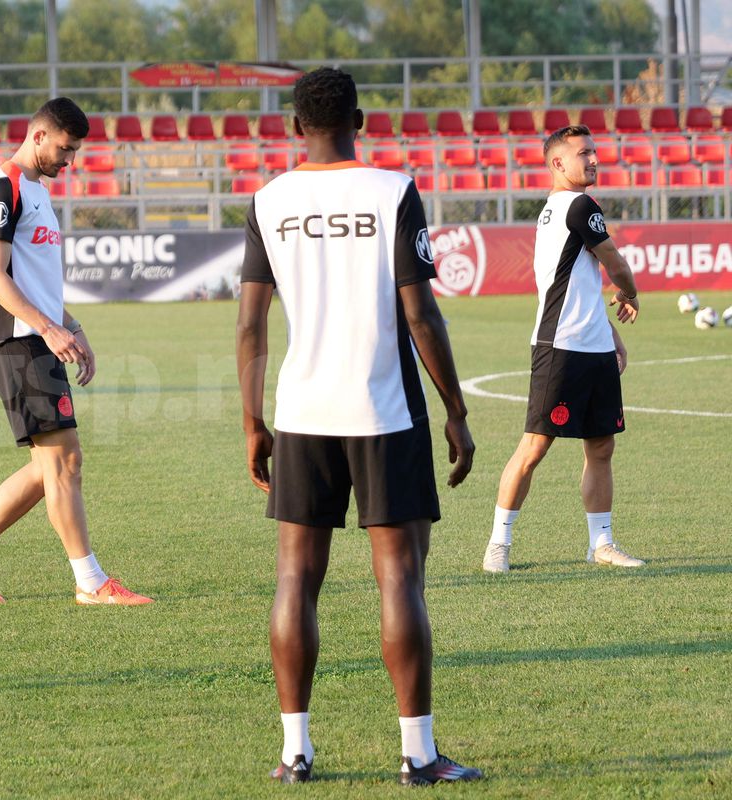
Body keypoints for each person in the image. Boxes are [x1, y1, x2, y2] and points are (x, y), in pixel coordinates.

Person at [236, 68, 482, 786]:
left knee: (293, 578)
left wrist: (252, 422)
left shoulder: (269, 199)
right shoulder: (392, 190)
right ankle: (417, 755)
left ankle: (294, 754)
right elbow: (421, 314)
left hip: (302, 412)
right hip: (384, 410)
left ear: (292, 127)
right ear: (362, 120)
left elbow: (251, 324)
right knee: (399, 577)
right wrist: (457, 411)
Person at [0, 98, 151, 606]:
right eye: (63, 148)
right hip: (18, 344)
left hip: (39, 338)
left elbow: (37, 279)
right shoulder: (4, 187)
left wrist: (72, 327)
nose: (69, 160)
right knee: (65, 463)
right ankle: (91, 581)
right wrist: (48, 330)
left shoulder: (36, 190)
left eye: (74, 151)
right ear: (38, 136)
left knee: (51, 465)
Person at [482, 125, 642, 574]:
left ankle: (602, 543)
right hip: (561, 348)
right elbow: (615, 265)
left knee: (601, 446)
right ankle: (499, 543)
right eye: (582, 153)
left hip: (590, 346)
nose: (593, 159)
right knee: (534, 446)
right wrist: (630, 294)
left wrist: (608, 334)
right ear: (557, 164)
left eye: (594, 151)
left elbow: (578, 284)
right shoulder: (578, 206)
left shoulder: (556, 208)